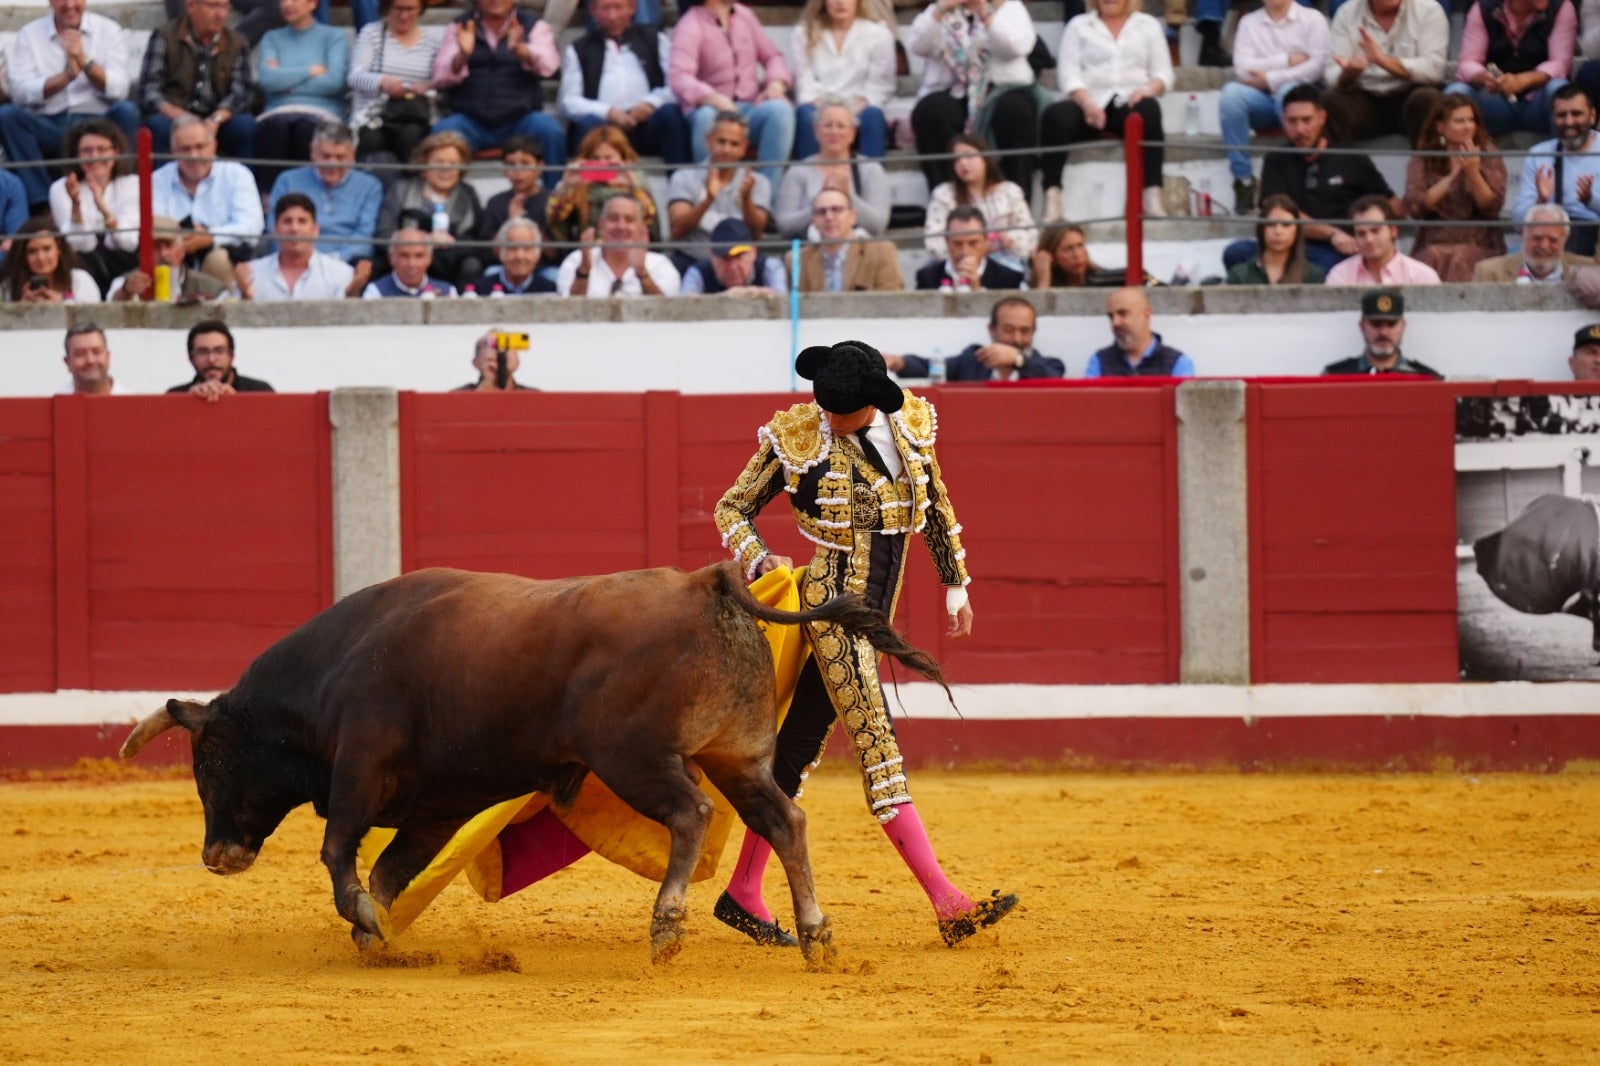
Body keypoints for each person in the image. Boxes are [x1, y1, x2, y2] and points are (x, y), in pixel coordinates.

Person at [711, 338, 1017, 948]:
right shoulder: (800, 434)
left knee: (793, 752)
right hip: (830, 611)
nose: (825, 418)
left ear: (873, 404)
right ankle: (947, 902)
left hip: (874, 615)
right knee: (878, 745)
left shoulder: (911, 426)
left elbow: (933, 507)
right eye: (821, 405)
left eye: (839, 412)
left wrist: (956, 581)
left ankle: (743, 891)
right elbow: (732, 508)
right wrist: (758, 554)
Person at [1224, 84, 1394, 275]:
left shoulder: (1350, 157)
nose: (1300, 129)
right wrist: (1331, 233)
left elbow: (1391, 204)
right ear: (1283, 121)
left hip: (1335, 251)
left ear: (1322, 118)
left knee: (1328, 269)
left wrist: (1368, 234)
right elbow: (1277, 212)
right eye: (1292, 121)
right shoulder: (1276, 159)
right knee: (1235, 253)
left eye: (1306, 120)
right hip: (1286, 246)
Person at [1040, 0, 1172, 222]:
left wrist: (1147, 90)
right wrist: (1087, 102)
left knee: (1150, 109)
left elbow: (1164, 74)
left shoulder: (1147, 25)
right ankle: (1053, 198)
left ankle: (1152, 194)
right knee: (1054, 116)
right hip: (1090, 103)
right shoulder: (1078, 25)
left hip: (1129, 101)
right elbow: (1068, 74)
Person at [0, 0, 140, 210]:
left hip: (97, 122)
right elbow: (19, 93)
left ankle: (123, 193)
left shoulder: (108, 30)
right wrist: (65, 77)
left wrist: (84, 62)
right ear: (50, 2)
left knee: (127, 112)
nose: (70, 5)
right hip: (48, 122)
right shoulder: (29, 35)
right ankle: (43, 203)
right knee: (8, 115)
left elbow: (120, 88)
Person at [907, 0, 1041, 191]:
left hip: (1001, 90)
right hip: (955, 90)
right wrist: (941, 9)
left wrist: (985, 14)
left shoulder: (1010, 7)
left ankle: (1014, 199)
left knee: (1015, 110)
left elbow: (1017, 47)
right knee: (932, 110)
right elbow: (917, 46)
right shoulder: (940, 9)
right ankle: (947, 200)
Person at [428, 0, 565, 176]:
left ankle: (554, 197)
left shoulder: (533, 25)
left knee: (550, 131)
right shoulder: (460, 25)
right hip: (471, 121)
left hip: (520, 120)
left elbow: (550, 66)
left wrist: (521, 50)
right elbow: (440, 77)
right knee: (441, 133)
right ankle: (443, 201)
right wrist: (462, 56)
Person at [669, 0, 796, 188]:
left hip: (749, 108)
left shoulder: (745, 16)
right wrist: (716, 99)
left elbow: (773, 57)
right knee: (706, 118)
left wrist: (775, 85)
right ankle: (709, 197)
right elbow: (679, 77)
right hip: (710, 108)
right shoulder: (690, 24)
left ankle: (765, 201)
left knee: (780, 110)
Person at [1221, 0, 1332, 213]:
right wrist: (1288, 60)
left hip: (1299, 102)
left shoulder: (1312, 19)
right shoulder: (1248, 23)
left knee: (1287, 91)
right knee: (1230, 95)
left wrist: (1270, 78)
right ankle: (1243, 180)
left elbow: (1317, 67)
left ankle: (1298, 172)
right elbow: (1243, 69)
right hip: (1261, 100)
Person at [558, 0, 689, 166]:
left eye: (618, 7)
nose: (612, 16)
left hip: (646, 124)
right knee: (587, 123)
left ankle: (679, 180)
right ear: (593, 11)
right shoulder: (579, 48)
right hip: (604, 128)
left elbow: (677, 83)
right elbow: (568, 101)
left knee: (670, 114)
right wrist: (609, 112)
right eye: (605, 8)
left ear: (632, 8)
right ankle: (595, 185)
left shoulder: (656, 39)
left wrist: (650, 103)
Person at [1402, 92, 1507, 281]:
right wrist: (1452, 176)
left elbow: (1492, 207)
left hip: (1480, 241)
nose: (1468, 126)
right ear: (1440, 127)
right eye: (1459, 121)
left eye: (1471, 120)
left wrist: (1473, 173)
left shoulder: (1488, 153)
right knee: (1433, 255)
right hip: (1434, 240)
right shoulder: (1424, 158)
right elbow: (1415, 206)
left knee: (1460, 256)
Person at [151, 114, 265, 285]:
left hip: (223, 255)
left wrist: (210, 236)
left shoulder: (237, 174)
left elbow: (251, 227)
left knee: (219, 260)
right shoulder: (157, 179)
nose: (194, 155)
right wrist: (181, 240)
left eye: (200, 147)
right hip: (172, 254)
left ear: (214, 146)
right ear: (173, 151)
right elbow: (155, 224)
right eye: (185, 149)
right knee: (161, 255)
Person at [137, 0, 259, 159]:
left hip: (217, 120)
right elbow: (149, 90)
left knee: (246, 126)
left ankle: (244, 182)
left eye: (225, 7)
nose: (221, 14)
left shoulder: (237, 42)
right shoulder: (164, 36)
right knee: (157, 126)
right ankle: (163, 182)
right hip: (175, 117)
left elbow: (241, 93)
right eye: (213, 6)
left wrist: (216, 119)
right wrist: (181, 117)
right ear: (191, 6)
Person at [1321, 0, 1448, 147]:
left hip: (1408, 94)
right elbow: (1331, 74)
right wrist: (1349, 73)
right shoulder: (1346, 12)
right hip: (1364, 96)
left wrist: (1382, 60)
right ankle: (1339, 167)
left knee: (1428, 98)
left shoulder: (1428, 10)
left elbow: (1434, 69)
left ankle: (1428, 166)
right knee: (1330, 100)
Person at [255, 0, 350, 189]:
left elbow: (334, 82)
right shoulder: (272, 38)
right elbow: (267, 79)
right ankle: (268, 198)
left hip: (322, 111)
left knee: (305, 131)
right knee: (275, 130)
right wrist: (310, 71)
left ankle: (305, 195)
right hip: (278, 111)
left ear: (313, 4)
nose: (287, 4)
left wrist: (285, 81)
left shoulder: (333, 37)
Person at [1445, 0, 1575, 137]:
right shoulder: (1484, 7)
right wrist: (1486, 77)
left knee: (1559, 88)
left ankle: (1565, 156)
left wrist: (1522, 80)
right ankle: (1455, 157)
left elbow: (1561, 63)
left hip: (1539, 102)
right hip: (1495, 99)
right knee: (1456, 92)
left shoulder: (1561, 7)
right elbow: (1467, 62)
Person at [268, 122, 383, 273]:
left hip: (346, 264)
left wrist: (331, 263)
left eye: (340, 157)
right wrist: (304, 260)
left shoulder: (370, 186)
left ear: (352, 155)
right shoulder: (287, 180)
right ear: (312, 152)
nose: (332, 164)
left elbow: (364, 236)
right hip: (293, 260)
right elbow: (273, 228)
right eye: (326, 156)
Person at [375, 131, 483, 289]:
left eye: (453, 164)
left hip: (451, 262)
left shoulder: (468, 194)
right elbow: (383, 234)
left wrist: (451, 243)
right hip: (407, 261)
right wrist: (422, 242)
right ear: (423, 163)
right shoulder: (401, 189)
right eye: (439, 163)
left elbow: (477, 240)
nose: (445, 170)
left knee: (471, 265)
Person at [667, 111, 773, 268]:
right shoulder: (683, 177)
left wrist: (746, 199)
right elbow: (676, 231)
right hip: (693, 259)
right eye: (721, 142)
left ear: (744, 148)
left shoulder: (758, 182)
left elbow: (756, 234)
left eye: (734, 144)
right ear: (708, 141)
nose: (726, 150)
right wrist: (707, 200)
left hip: (739, 263)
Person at [773, 98, 892, 238]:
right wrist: (820, 202)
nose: (834, 132)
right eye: (827, 125)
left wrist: (848, 197)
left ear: (853, 133)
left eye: (841, 126)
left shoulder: (871, 169)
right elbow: (784, 226)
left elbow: (878, 225)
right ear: (816, 130)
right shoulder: (798, 172)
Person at [791, 0, 896, 159]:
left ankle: (871, 178)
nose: (840, 2)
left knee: (873, 116)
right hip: (820, 105)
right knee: (806, 115)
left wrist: (855, 108)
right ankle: (810, 177)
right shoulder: (803, 33)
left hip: (859, 106)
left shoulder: (879, 34)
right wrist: (826, 109)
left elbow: (880, 85)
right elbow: (805, 83)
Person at [348, 0, 443, 172]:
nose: (404, 15)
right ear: (387, 8)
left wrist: (426, 86)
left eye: (410, 9)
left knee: (411, 137)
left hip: (416, 114)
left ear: (420, 10)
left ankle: (411, 188)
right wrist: (383, 82)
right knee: (371, 140)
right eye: (398, 8)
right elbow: (355, 76)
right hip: (375, 114)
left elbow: (442, 80)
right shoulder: (372, 33)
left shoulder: (433, 40)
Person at [49, 119, 140, 294]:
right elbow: (78, 244)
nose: (94, 156)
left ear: (115, 152)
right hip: (83, 267)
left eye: (101, 149)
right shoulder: (60, 188)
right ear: (77, 155)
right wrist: (76, 205)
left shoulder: (133, 184)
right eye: (87, 151)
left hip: (126, 264)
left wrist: (104, 209)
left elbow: (129, 243)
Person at [545, 123, 663, 255]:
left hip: (630, 254)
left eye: (608, 158)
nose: (602, 164)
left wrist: (634, 186)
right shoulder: (578, 183)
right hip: (589, 255)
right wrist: (566, 185)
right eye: (595, 158)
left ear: (622, 158)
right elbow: (555, 219)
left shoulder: (637, 181)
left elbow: (649, 222)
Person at [1511, 83, 1600, 256]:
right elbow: (1517, 223)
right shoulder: (1539, 154)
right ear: (1552, 118)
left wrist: (1590, 200)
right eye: (1561, 115)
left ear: (1592, 116)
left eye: (1576, 114)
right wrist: (1540, 201)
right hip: (1550, 240)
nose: (1568, 122)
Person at [923, 133, 1037, 267]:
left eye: (969, 156)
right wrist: (975, 249)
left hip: (1005, 263)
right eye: (956, 160)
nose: (962, 163)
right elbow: (933, 241)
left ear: (985, 159)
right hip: (958, 264)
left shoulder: (1010, 191)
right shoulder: (943, 194)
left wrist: (1008, 238)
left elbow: (1030, 236)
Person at [892, 296, 1065, 379]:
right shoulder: (972, 359)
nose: (1017, 339)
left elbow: (1054, 378)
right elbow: (931, 367)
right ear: (992, 330)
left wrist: (1018, 359)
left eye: (1025, 331)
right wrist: (900, 362)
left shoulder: (1051, 366)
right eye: (1009, 329)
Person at [234, 192, 360, 300]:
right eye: (287, 221)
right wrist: (245, 297)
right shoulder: (251, 274)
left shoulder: (341, 274)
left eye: (302, 221)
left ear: (315, 230)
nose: (294, 229)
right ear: (276, 230)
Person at [557, 193, 682, 296]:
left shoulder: (660, 265)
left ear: (641, 228)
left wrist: (642, 273)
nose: (621, 226)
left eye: (629, 220)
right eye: (613, 218)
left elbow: (664, 313)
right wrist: (584, 271)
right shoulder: (576, 260)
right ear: (600, 226)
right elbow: (569, 313)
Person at [791, 187, 903, 292]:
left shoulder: (881, 252)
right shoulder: (797, 260)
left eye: (836, 209)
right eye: (821, 212)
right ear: (813, 220)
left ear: (852, 217)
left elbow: (892, 303)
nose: (829, 217)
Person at [1326, 195, 1443, 285]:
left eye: (1375, 231)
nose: (1369, 239)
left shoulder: (1422, 276)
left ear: (1393, 231)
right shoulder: (1340, 275)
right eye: (1361, 234)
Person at [107, 214, 226, 302]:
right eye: (156, 246)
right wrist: (126, 293)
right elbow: (110, 314)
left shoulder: (212, 288)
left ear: (182, 249)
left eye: (169, 245)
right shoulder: (123, 283)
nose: (163, 253)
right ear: (142, 250)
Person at [1322, 289, 1441, 376]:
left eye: (1391, 324)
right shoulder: (1335, 376)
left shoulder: (1426, 378)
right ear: (1362, 326)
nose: (1384, 332)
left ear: (1403, 326)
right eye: (1376, 324)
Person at [1085, 287, 1194, 377]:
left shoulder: (1177, 363)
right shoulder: (1099, 361)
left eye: (1123, 313)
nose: (1115, 323)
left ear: (1146, 314)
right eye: (1111, 316)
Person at [914, 205, 1026, 291]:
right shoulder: (927, 277)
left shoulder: (1009, 278)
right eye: (957, 243)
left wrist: (976, 289)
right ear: (946, 241)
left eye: (973, 243)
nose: (965, 251)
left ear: (986, 240)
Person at [1474, 203, 1595, 280]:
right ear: (1523, 235)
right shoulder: (1488, 273)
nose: (1544, 246)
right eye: (1537, 238)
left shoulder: (1589, 271)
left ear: (1565, 240)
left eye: (1553, 240)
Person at [1226, 194, 1327, 285]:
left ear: (1297, 230)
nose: (1278, 231)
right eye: (1271, 224)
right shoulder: (1239, 275)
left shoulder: (1313, 275)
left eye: (1286, 225)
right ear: (1261, 229)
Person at [475, 135, 551, 252]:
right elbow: (490, 253)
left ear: (540, 167)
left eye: (525, 164)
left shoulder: (552, 201)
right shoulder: (495, 203)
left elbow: (555, 254)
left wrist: (526, 227)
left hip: (546, 267)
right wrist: (512, 223)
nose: (517, 171)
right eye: (511, 164)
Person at [168, 318, 277, 400]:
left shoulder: (261, 392)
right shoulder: (174, 396)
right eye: (203, 352)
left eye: (219, 351)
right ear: (192, 359)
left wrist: (238, 402)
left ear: (232, 356)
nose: (211, 359)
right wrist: (186, 404)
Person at [1, 220, 101, 303]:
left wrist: (62, 303)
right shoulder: (9, 287)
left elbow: (93, 319)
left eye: (47, 249)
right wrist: (20, 309)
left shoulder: (80, 279)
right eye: (32, 251)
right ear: (23, 255)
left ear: (59, 249)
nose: (40, 257)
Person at [680, 217, 787, 294]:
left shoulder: (770, 267)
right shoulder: (698, 273)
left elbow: (783, 301)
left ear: (753, 252)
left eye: (739, 257)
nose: (733, 267)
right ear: (711, 255)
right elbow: (684, 308)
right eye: (725, 258)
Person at [469, 217, 558, 295]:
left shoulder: (550, 291)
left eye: (527, 249)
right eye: (513, 248)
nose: (519, 256)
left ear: (537, 254)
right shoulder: (480, 290)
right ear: (501, 252)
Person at [362, 226, 458, 297]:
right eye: (404, 255)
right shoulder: (376, 292)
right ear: (391, 258)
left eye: (419, 256)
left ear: (429, 258)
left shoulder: (448, 291)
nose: (411, 264)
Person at [1030, 222, 1117, 288]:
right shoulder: (1046, 282)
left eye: (1080, 246)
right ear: (1051, 256)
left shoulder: (1101, 279)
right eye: (1068, 249)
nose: (1077, 255)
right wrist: (1044, 280)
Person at [455, 330, 535, 390]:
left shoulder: (535, 398)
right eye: (486, 344)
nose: (496, 350)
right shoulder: (455, 398)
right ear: (475, 362)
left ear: (517, 362)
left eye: (506, 344)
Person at [62, 321, 114, 395]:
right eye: (80, 354)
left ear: (108, 357)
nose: (90, 360)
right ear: (67, 362)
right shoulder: (52, 405)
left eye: (96, 352)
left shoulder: (134, 404)